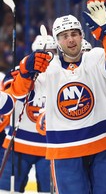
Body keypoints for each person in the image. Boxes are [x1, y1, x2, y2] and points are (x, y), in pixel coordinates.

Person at [8, 0, 106, 194]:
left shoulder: (96, 56)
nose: (70, 39)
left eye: (74, 34)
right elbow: (19, 94)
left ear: (82, 36)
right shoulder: (47, 67)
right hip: (65, 148)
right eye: (64, 36)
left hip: (103, 141)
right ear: (57, 41)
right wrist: (25, 71)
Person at [0, 34, 56, 193]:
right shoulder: (18, 71)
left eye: (51, 52)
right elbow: (10, 97)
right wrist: (26, 74)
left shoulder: (60, 75)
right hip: (18, 143)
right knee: (6, 190)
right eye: (42, 52)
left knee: (49, 191)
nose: (46, 56)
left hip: (49, 145)